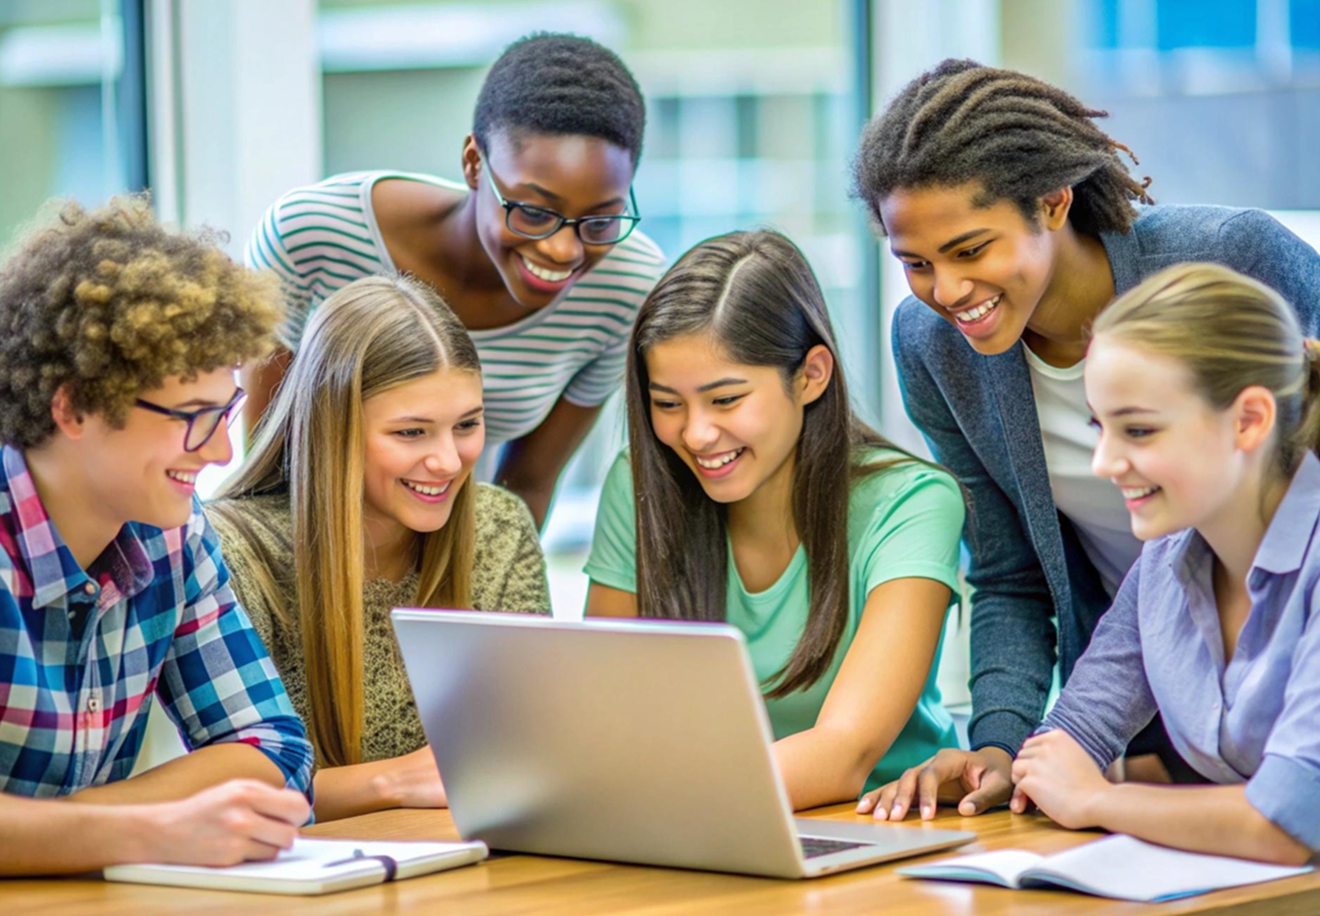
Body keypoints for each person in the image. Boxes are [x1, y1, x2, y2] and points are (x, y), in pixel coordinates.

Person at [850, 58, 1320, 822]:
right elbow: (1010, 574)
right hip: (1159, 702)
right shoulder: (933, 346)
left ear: (1053, 201)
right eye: (915, 264)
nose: (945, 291)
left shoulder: (1229, 259)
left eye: (971, 250)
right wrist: (998, 748)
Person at [585, 230, 965, 811]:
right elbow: (607, 710)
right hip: (700, 823)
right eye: (667, 403)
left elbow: (844, 756)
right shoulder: (639, 484)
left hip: (888, 826)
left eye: (726, 399)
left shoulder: (912, 500)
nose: (695, 434)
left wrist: (631, 798)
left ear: (811, 375)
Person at [0, 196, 313, 875]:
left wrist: (65, 833)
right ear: (76, 406)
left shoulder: (172, 533)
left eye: (227, 411)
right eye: (195, 416)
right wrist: (145, 831)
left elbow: (275, 750)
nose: (224, 452)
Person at [244, 33, 666, 527]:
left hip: (455, 550)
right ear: (473, 162)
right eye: (532, 211)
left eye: (600, 221)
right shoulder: (311, 237)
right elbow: (265, 465)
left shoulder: (626, 287)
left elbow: (525, 489)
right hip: (308, 543)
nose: (564, 249)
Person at [1007, 263, 1320, 864]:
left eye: (1140, 430)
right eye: (1100, 427)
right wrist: (1046, 773)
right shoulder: (1169, 555)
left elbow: (1288, 822)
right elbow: (1069, 739)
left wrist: (1098, 801)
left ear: (1249, 420)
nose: (1103, 462)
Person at [209, 274, 550, 823]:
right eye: (411, 433)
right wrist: (393, 782)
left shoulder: (499, 526)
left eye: (467, 424)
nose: (447, 460)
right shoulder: (229, 552)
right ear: (332, 427)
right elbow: (220, 796)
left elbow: (533, 752)